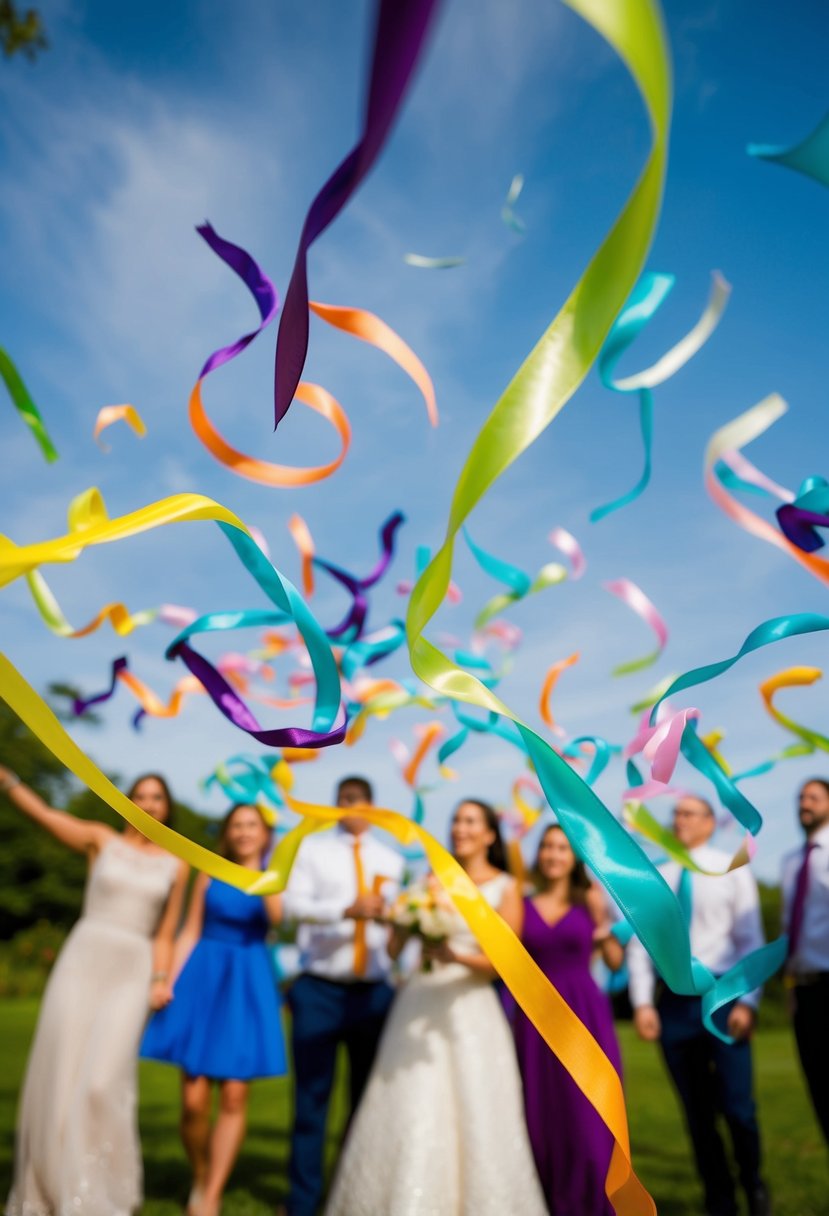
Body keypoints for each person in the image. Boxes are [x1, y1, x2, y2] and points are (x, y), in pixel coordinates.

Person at [324, 798, 547, 1216]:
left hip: (470, 1006)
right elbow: (393, 951)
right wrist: (404, 923)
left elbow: (506, 964)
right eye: (456, 820)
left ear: (488, 834)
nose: (459, 828)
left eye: (469, 821)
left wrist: (455, 956)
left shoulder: (505, 886)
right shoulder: (429, 879)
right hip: (418, 1000)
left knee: (477, 1104)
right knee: (409, 1098)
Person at [1, 765, 187, 1216]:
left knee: (104, 1080)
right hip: (83, 961)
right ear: (128, 802)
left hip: (133, 971)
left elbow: (165, 933)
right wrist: (9, 781)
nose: (148, 804)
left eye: (157, 797)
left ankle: (100, 1190)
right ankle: (48, 1182)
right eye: (140, 795)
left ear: (167, 808)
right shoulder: (101, 839)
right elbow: (44, 814)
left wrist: (162, 979)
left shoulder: (177, 863)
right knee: (62, 1070)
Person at [627, 795, 770, 1216]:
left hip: (724, 998)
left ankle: (753, 1184)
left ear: (710, 822)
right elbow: (641, 945)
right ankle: (719, 1197)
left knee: (738, 1105)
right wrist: (641, 1003)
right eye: (676, 814)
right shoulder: (656, 875)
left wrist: (750, 1001)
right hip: (673, 1005)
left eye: (689, 813)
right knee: (696, 1110)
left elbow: (751, 940)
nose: (679, 820)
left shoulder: (731, 868)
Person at [142, 802, 286, 1216]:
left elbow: (279, 920)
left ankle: (212, 1194)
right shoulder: (208, 871)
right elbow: (189, 931)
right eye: (237, 825)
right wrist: (169, 978)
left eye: (252, 826)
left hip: (248, 980)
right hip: (205, 978)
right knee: (192, 1100)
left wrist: (266, 874)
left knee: (236, 1096)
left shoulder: (270, 878)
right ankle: (200, 1174)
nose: (243, 832)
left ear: (264, 834)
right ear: (228, 832)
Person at [281, 776, 404, 1216]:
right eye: (343, 801)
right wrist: (345, 910)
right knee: (311, 1101)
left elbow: (397, 924)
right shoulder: (312, 851)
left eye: (359, 801)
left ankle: (351, 1196)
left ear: (372, 807)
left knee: (366, 1102)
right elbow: (293, 906)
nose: (351, 808)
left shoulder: (391, 859)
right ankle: (302, 1202)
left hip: (373, 993)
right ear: (334, 805)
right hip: (319, 989)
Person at [510, 822, 624, 1216]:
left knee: (589, 1117)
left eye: (562, 847)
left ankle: (594, 1202)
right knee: (540, 1114)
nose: (554, 854)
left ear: (574, 856)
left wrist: (603, 925)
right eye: (547, 846)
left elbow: (614, 961)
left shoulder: (589, 900)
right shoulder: (521, 905)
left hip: (584, 1016)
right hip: (534, 1019)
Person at [781, 778, 829, 1147]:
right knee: (820, 1090)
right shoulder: (791, 861)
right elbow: (789, 925)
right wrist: (790, 985)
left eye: (813, 797)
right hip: (805, 989)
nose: (804, 803)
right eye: (800, 797)